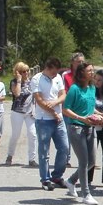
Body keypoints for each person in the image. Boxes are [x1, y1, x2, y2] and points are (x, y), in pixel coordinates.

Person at [62, 62, 103, 205]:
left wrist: (100, 115)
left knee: (91, 161)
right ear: (81, 73)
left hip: (90, 128)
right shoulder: (74, 89)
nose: (92, 73)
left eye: (93, 70)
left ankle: (71, 181)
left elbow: (91, 108)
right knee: (84, 161)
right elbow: (65, 109)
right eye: (89, 70)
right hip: (76, 128)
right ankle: (86, 194)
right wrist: (81, 118)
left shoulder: (92, 88)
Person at [32, 57, 70, 191]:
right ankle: (45, 179)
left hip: (58, 119)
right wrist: (52, 113)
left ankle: (57, 176)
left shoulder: (58, 77)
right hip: (44, 119)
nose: (55, 74)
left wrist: (55, 103)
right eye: (53, 72)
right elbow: (39, 100)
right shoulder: (37, 79)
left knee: (64, 148)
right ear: (47, 68)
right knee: (44, 151)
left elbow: (63, 94)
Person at [6, 62, 37, 167]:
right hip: (17, 112)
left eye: (28, 70)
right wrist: (19, 80)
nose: (26, 73)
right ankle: (10, 155)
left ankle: (32, 159)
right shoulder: (14, 82)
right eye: (24, 71)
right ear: (18, 72)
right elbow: (17, 94)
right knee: (15, 135)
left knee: (32, 134)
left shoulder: (32, 82)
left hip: (30, 113)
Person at [62, 52, 85, 167]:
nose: (81, 64)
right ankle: (66, 158)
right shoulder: (66, 75)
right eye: (78, 62)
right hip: (70, 108)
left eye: (82, 61)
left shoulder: (86, 74)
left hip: (83, 108)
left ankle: (88, 159)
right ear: (72, 63)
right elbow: (63, 91)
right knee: (68, 133)